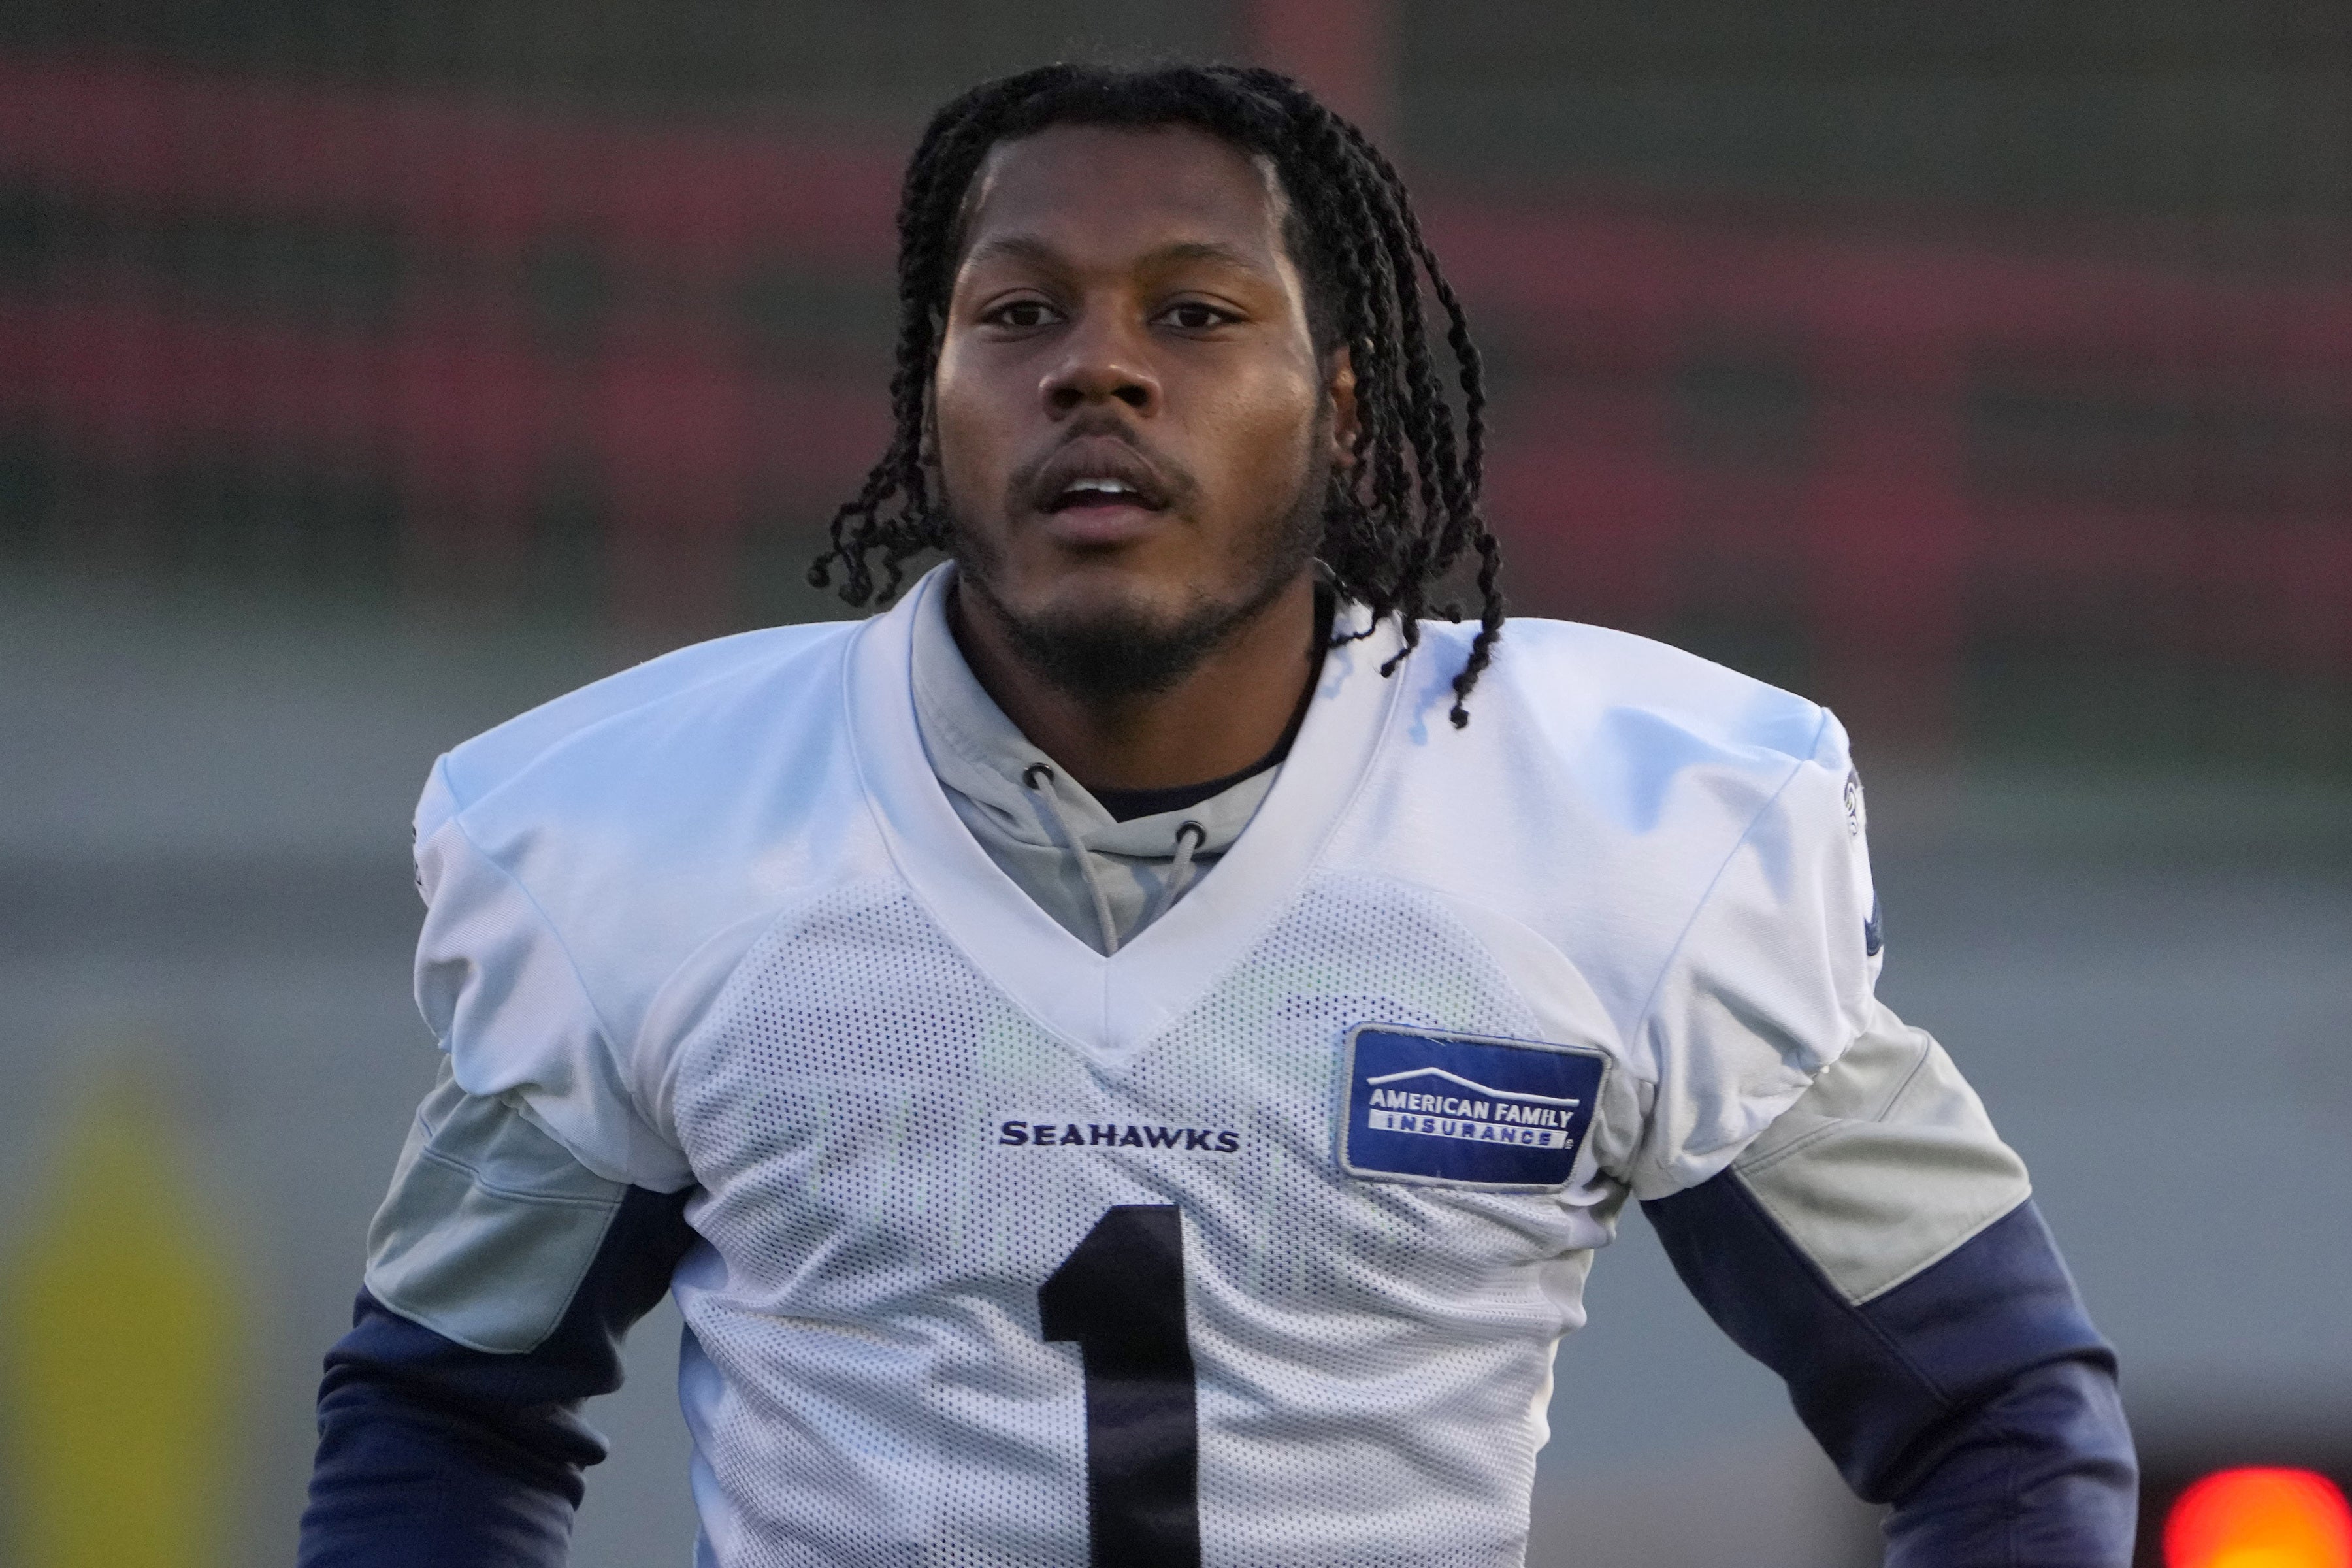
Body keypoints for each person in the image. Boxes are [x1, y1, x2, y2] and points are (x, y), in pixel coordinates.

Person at [299, 63, 2136, 1568]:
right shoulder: (648, 842)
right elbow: (443, 1420)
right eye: (1019, 313)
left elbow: (2000, 1417)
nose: (1097, 369)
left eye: (1194, 310)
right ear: (926, 404)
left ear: (1340, 413)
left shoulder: (1632, 834)